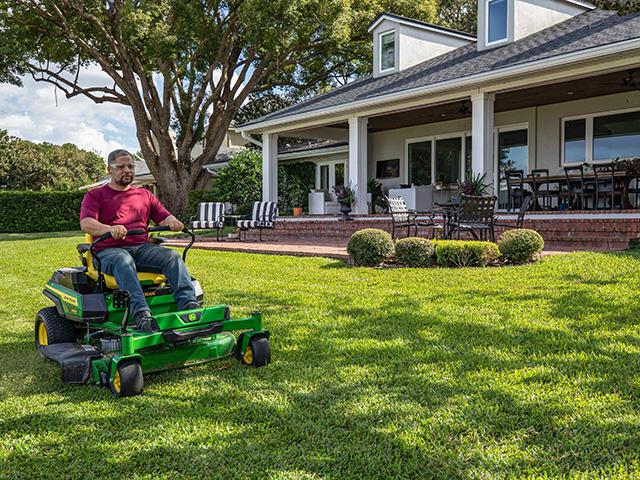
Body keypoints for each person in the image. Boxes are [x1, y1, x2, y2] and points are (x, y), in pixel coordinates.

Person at [80, 149, 200, 332]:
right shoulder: (95, 195)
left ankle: (190, 306)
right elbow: (86, 223)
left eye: (130, 166)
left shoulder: (144, 195)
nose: (127, 170)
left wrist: (173, 222)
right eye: (121, 167)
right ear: (109, 169)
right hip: (108, 252)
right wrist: (109, 229)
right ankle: (142, 314)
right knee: (123, 260)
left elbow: (163, 216)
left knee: (172, 256)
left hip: (141, 248)